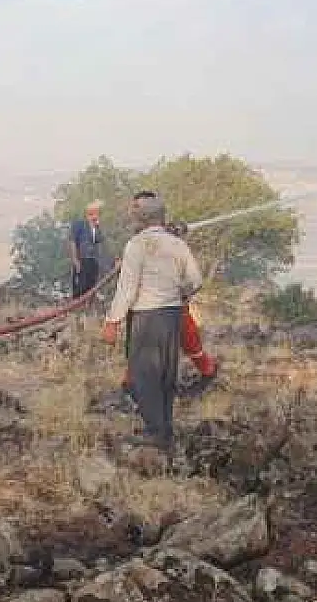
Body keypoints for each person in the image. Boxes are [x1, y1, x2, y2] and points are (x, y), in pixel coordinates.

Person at [103, 194, 203, 451]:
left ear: (143, 218)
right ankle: (165, 428)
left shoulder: (136, 245)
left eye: (135, 213)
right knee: (166, 373)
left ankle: (155, 432)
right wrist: (179, 293)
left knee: (142, 375)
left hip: (146, 317)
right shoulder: (178, 245)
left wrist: (112, 321)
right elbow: (195, 281)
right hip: (171, 316)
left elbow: (127, 288)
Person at [118, 192, 218, 397]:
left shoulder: (167, 236)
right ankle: (130, 383)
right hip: (145, 304)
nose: (134, 212)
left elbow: (190, 275)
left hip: (169, 301)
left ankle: (207, 370)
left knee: (187, 336)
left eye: (137, 208)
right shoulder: (139, 236)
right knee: (137, 343)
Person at [69, 200, 104, 298]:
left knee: (91, 285)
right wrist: (75, 260)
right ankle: (76, 306)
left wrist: (96, 227)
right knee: (80, 285)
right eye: (92, 214)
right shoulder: (79, 225)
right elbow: (72, 241)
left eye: (96, 214)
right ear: (87, 214)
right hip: (82, 259)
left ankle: (88, 307)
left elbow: (99, 241)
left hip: (93, 260)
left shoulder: (96, 228)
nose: (94, 216)